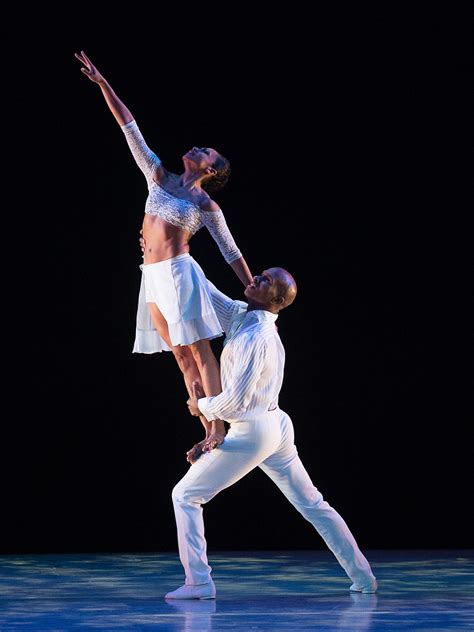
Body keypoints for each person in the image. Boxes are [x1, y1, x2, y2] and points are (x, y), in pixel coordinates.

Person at [75, 51, 253, 451]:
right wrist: (104, 83)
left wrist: (251, 284)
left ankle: (219, 428)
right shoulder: (158, 177)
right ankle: (207, 427)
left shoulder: (206, 205)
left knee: (198, 348)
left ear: (210, 170)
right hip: (151, 276)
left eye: (205, 151)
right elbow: (129, 129)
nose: (196, 147)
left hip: (177, 273)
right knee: (180, 356)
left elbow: (230, 250)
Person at [164, 267, 377, 599]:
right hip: (274, 425)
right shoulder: (240, 315)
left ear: (275, 300)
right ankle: (364, 579)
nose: (256, 279)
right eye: (260, 274)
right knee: (313, 504)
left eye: (265, 282)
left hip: (256, 431)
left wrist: (201, 406)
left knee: (185, 495)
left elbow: (235, 403)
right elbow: (205, 290)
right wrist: (171, 258)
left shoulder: (259, 338)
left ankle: (200, 582)